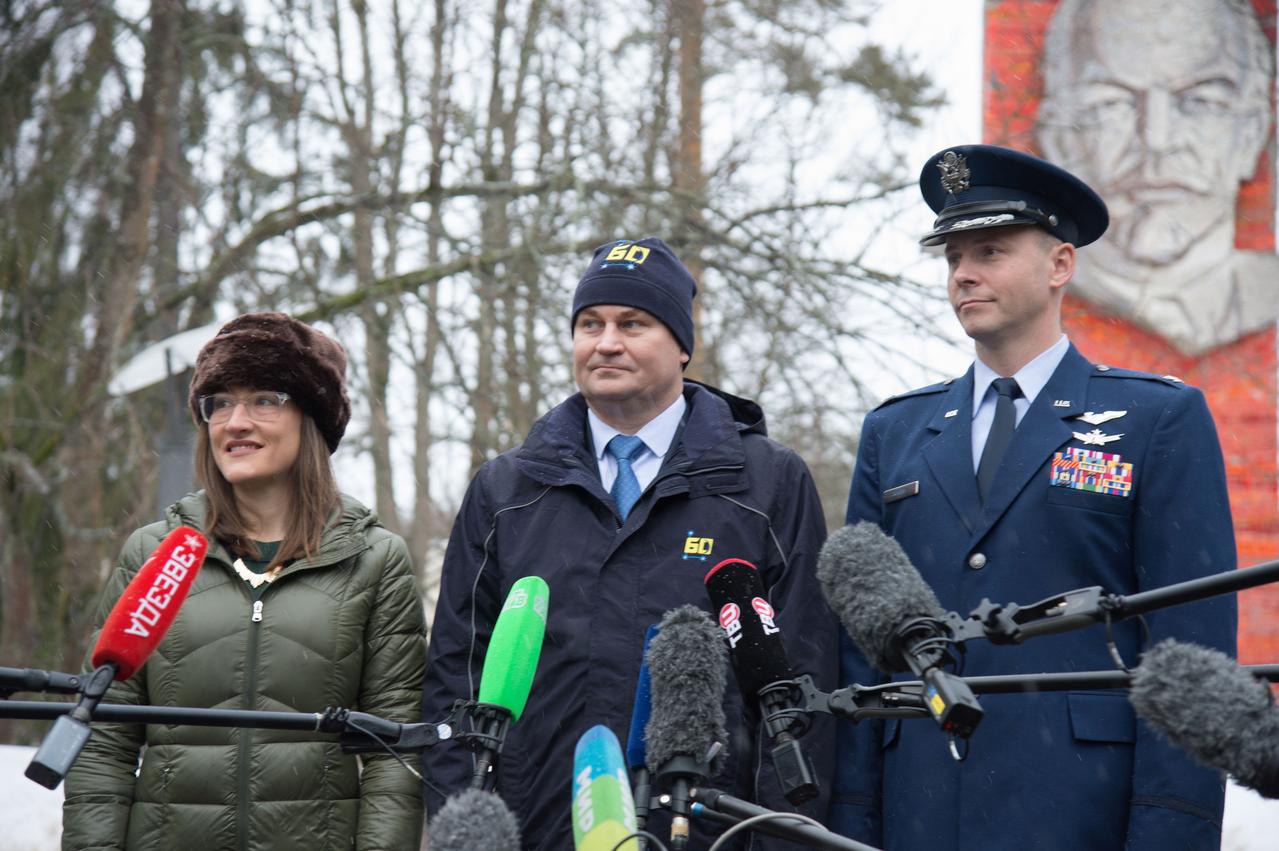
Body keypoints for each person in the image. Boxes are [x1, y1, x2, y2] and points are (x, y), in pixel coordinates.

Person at [829, 146, 1237, 849]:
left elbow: (1191, 654)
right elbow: (861, 659)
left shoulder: (1154, 420)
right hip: (917, 813)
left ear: (1059, 265)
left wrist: (1172, 832)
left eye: (989, 250)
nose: (963, 274)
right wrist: (849, 828)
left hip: (1081, 813)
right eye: (951, 256)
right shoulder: (894, 431)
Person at [420, 237, 837, 849]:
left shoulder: (766, 482)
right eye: (590, 324)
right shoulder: (507, 490)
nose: (605, 342)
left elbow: (804, 686)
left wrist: (778, 835)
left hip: (708, 831)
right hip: (539, 828)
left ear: (682, 346)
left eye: (632, 323)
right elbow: (456, 679)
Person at [62, 313, 427, 851]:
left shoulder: (374, 560)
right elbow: (104, 741)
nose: (236, 421)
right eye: (221, 402)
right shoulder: (153, 554)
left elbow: (394, 756)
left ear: (313, 419)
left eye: (265, 399)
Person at [1036, 0, 1277, 354]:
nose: (1157, 140)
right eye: (1113, 103)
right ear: (1059, 140)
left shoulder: (1267, 294)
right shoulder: (1026, 299)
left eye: (1201, 101)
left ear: (1251, 134)